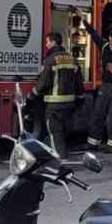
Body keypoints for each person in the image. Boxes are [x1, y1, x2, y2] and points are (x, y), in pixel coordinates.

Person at [74, 7, 112, 154]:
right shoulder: (104, 46)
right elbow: (92, 33)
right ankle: (93, 142)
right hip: (105, 85)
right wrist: (83, 19)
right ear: (110, 38)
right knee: (97, 113)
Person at [29, 32, 84, 160]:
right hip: (69, 104)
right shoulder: (72, 59)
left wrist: (31, 95)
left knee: (55, 132)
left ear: (53, 42)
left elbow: (43, 83)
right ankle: (61, 154)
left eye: (48, 42)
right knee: (62, 131)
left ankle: (60, 160)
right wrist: (80, 99)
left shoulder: (50, 60)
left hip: (54, 105)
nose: (46, 45)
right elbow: (79, 84)